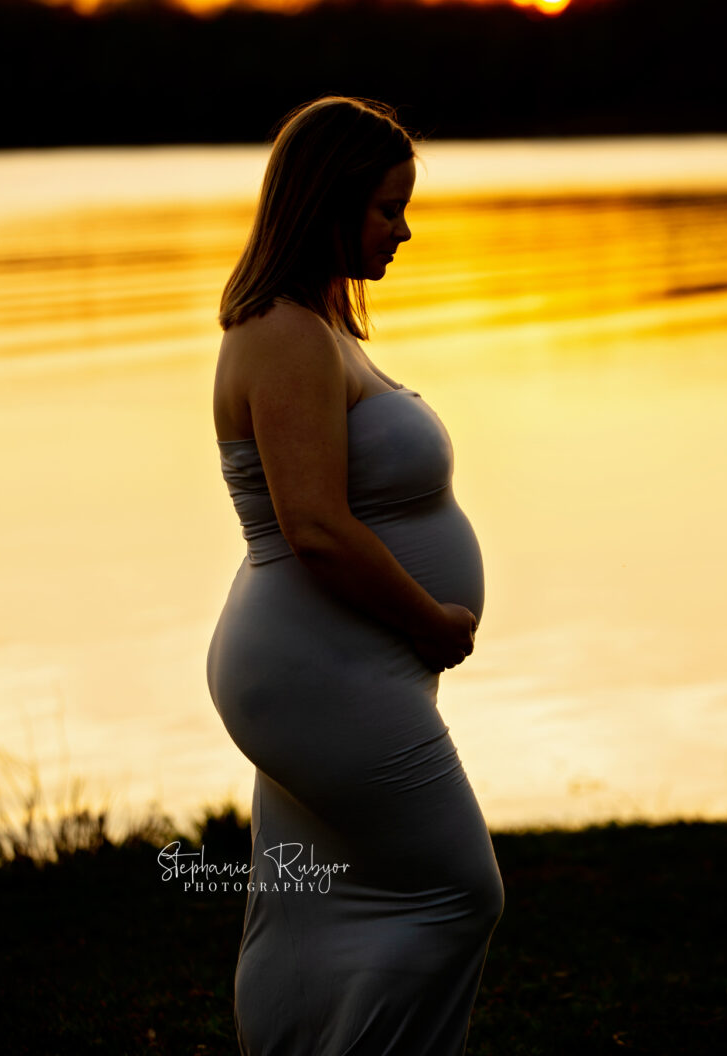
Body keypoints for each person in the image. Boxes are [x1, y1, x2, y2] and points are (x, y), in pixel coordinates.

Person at [206, 95, 504, 1055]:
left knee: (311, 899)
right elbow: (317, 531)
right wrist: (428, 618)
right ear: (328, 203)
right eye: (387, 208)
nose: (403, 230)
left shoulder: (315, 324)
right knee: (458, 892)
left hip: (320, 665)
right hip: (315, 671)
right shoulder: (287, 333)